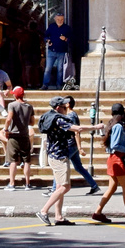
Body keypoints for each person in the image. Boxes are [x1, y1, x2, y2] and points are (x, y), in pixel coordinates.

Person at [36, 96, 100, 226]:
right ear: (58, 108)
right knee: (66, 186)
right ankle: (43, 211)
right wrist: (96, 127)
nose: (67, 109)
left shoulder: (50, 116)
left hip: (55, 154)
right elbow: (77, 129)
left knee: (60, 186)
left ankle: (58, 217)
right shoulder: (58, 119)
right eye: (64, 107)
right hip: (59, 156)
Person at [90, 103, 125, 224]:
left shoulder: (112, 125)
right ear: (122, 114)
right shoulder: (119, 127)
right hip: (117, 160)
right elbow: (115, 145)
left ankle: (98, 212)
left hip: (113, 159)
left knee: (113, 187)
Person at [3, 87, 35, 190]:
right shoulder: (29, 106)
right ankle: (27, 183)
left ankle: (12, 183)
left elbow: (9, 118)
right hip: (24, 135)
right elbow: (32, 122)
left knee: (12, 160)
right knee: (26, 160)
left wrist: (5, 129)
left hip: (14, 135)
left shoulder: (12, 105)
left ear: (15, 95)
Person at [42, 11, 72, 89]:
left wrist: (65, 39)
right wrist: (48, 41)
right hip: (51, 51)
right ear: (55, 19)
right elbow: (45, 36)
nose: (60, 21)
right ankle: (45, 85)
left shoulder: (67, 28)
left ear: (63, 19)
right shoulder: (52, 27)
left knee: (60, 69)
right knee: (48, 69)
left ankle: (59, 85)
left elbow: (72, 40)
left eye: (61, 19)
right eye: (58, 19)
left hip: (62, 52)